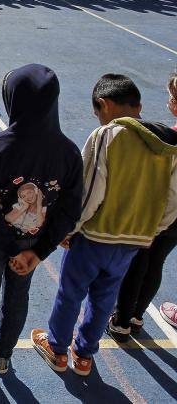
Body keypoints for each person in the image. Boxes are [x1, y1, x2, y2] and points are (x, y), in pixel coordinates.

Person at [32, 74, 177, 377]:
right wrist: (152, 230)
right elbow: (172, 199)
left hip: (96, 235)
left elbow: (90, 192)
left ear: (103, 105)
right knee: (104, 296)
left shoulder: (107, 135)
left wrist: (69, 229)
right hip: (133, 240)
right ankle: (84, 354)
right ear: (138, 106)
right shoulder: (167, 142)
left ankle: (57, 348)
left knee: (71, 292)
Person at [0, 64, 82, 375]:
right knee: (18, 295)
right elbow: (68, 211)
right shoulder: (69, 153)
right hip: (33, 242)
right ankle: (3, 356)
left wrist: (9, 246)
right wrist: (37, 252)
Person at [106, 73, 177, 343]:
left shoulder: (169, 139)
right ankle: (136, 316)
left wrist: (155, 221)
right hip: (173, 220)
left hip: (161, 214)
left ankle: (121, 322)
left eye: (172, 97)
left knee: (138, 263)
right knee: (156, 262)